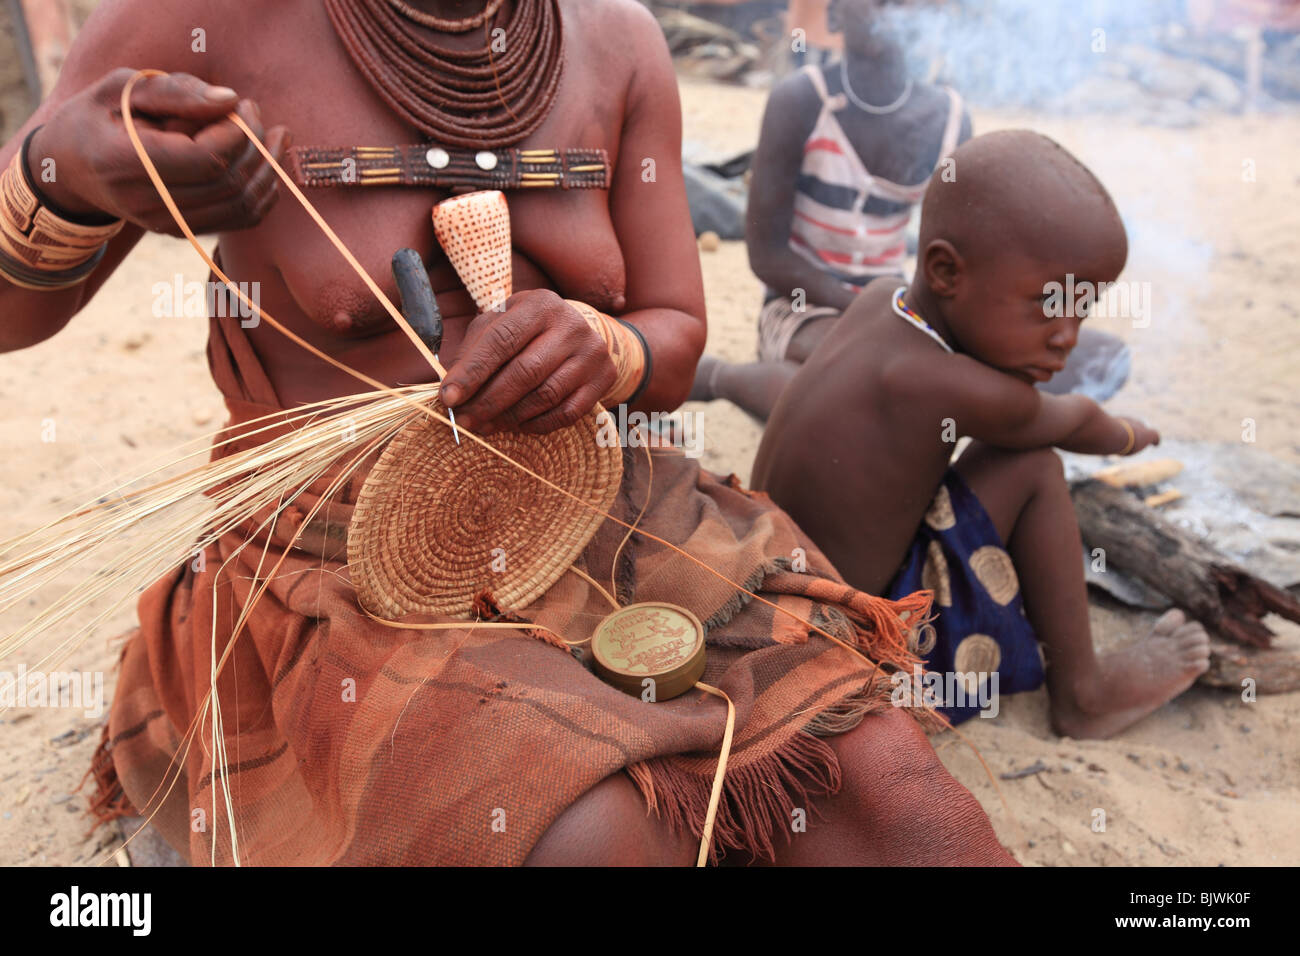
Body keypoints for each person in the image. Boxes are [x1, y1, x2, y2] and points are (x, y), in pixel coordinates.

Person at [0, 0, 1013, 864]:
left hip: (609, 508)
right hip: (337, 556)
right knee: (593, 831)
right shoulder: (210, 22)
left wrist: (606, 347)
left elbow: (673, 324)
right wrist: (59, 173)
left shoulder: (614, 35)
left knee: (896, 792)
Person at [752, 130, 1212, 735]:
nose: (1067, 335)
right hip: (852, 644)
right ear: (946, 271)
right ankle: (1085, 692)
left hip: (768, 601)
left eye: (1081, 308)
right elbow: (1070, 421)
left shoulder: (882, 306)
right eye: (1049, 306)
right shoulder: (943, 384)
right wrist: (1129, 435)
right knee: (1034, 464)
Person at [690, 0, 970, 421]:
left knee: (910, 382)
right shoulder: (802, 100)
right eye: (879, 3)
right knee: (861, 377)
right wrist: (867, 311)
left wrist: (911, 316)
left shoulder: (949, 119)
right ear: (836, 16)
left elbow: (951, 254)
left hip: (893, 309)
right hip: (802, 306)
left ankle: (796, 393)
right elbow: (767, 256)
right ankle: (721, 377)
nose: (895, 13)